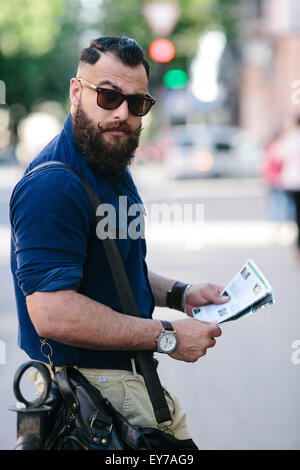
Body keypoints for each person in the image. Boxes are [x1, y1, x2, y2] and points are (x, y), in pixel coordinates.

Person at [9, 36, 229, 446]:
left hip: (125, 384)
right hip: (95, 395)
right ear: (77, 91)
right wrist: (167, 335)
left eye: (138, 103)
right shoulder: (54, 184)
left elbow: (112, 262)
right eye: (109, 96)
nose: (124, 114)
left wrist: (181, 294)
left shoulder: (109, 164)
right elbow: (54, 312)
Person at [275, 116, 300, 259]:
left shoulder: (290, 137)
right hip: (293, 181)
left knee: (296, 214)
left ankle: (298, 248)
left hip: (292, 182)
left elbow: (278, 155)